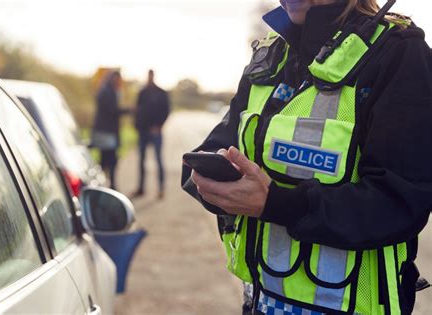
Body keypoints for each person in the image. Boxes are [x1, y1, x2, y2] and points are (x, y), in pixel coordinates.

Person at [182, 0, 432, 314]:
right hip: (260, 304)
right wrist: (215, 186)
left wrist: (275, 204)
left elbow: (401, 203)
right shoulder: (271, 53)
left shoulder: (399, 54)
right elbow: (211, 152)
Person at [133, 70, 170, 199]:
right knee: (141, 161)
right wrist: (136, 126)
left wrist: (159, 126)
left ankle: (161, 189)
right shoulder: (142, 92)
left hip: (155, 132)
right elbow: (137, 110)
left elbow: (166, 111)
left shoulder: (161, 93)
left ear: (154, 76)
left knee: (158, 160)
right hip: (143, 131)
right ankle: (141, 188)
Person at [92, 70, 127, 190]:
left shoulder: (108, 90)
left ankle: (106, 186)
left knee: (107, 160)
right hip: (106, 134)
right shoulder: (107, 92)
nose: (118, 82)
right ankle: (108, 187)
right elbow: (112, 111)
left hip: (107, 133)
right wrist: (128, 110)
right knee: (109, 161)